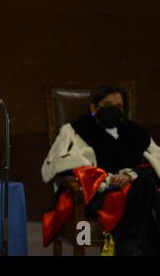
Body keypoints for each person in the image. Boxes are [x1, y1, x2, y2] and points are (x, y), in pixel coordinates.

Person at [42, 85, 160, 255]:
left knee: (145, 184)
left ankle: (128, 244)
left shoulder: (135, 132)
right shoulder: (75, 131)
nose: (113, 109)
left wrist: (129, 175)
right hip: (98, 194)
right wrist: (107, 179)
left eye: (119, 106)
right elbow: (62, 165)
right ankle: (131, 246)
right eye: (107, 104)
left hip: (134, 189)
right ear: (94, 107)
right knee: (146, 197)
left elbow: (153, 162)